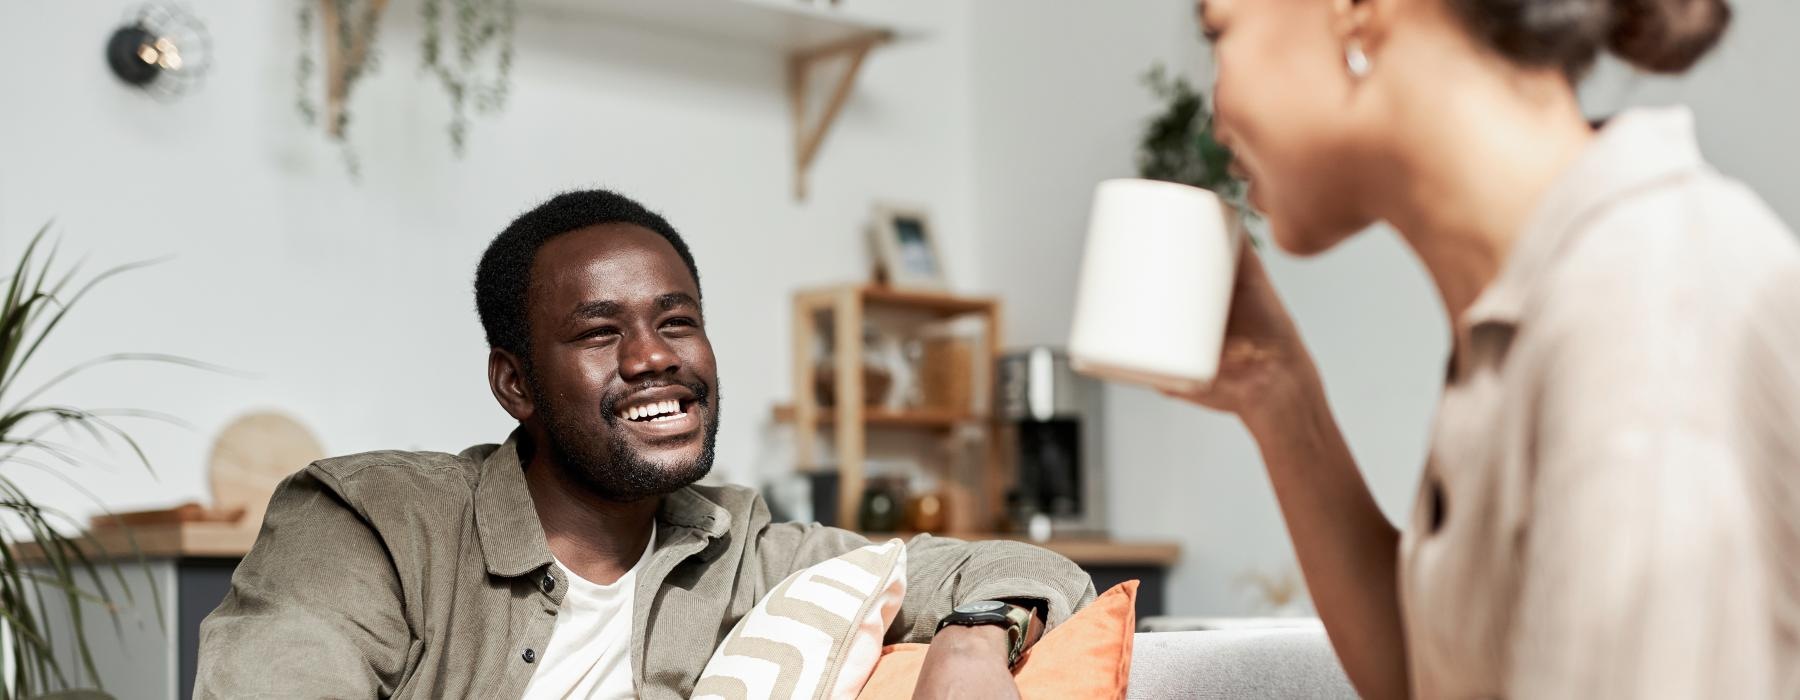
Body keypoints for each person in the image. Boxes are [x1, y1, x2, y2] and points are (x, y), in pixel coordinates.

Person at [194, 190, 1095, 699]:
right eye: (599, 332)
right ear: (515, 384)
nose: (654, 357)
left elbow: (1008, 569)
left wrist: (974, 645)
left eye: (677, 321)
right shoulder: (369, 526)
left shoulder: (742, 549)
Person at [1183, 0, 1799, 697]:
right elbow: (1432, 678)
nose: (1214, 113)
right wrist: (1280, 400)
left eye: (1217, 33)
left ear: (1357, 11)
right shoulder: (1542, 306)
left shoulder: (1643, 313)